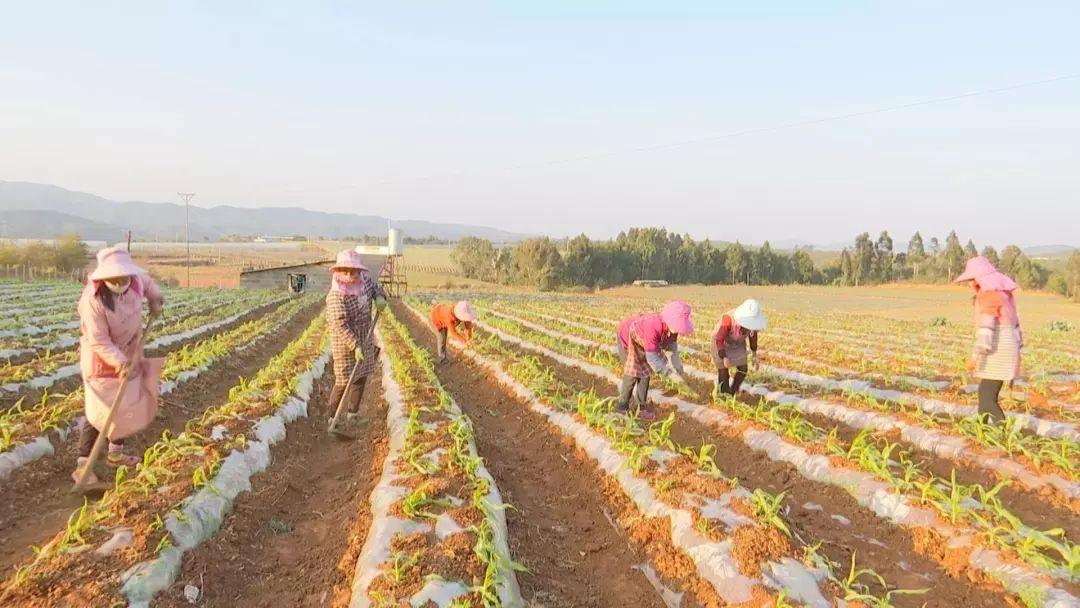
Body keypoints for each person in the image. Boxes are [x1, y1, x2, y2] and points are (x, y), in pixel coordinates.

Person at [73, 247, 164, 483]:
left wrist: (155, 298)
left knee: (126, 402)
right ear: (104, 278)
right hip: (101, 357)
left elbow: (149, 284)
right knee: (100, 409)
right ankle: (84, 464)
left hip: (129, 350)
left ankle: (115, 453)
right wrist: (121, 363)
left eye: (123, 276)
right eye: (115, 277)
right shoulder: (92, 300)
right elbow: (99, 340)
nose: (120, 280)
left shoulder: (135, 282)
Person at [954, 256, 1022, 424]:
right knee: (985, 393)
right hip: (1007, 348)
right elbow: (1017, 327)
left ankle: (1004, 432)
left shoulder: (988, 296)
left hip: (997, 351)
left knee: (987, 398)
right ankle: (980, 429)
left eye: (972, 279)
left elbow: (986, 331)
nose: (971, 284)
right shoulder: (1004, 295)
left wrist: (975, 358)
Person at [325, 250, 387, 433]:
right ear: (339, 271)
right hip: (344, 342)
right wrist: (355, 345)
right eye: (346, 270)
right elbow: (339, 324)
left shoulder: (365, 282)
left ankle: (352, 414)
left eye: (353, 271)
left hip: (365, 334)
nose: (350, 275)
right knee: (343, 379)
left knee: (361, 376)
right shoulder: (336, 295)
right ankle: (332, 418)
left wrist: (380, 297)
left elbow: (376, 287)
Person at [614, 301, 693, 419]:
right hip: (628, 338)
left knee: (645, 375)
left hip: (645, 344)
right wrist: (670, 374)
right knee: (632, 374)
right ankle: (621, 408)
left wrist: (679, 369)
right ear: (669, 320)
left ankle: (641, 407)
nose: (678, 330)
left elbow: (672, 349)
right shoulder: (653, 325)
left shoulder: (673, 330)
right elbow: (652, 359)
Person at [711, 299, 766, 396]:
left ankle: (732, 391)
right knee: (723, 371)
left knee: (743, 369)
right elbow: (719, 339)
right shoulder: (728, 319)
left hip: (737, 343)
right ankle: (724, 395)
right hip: (722, 342)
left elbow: (753, 338)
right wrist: (724, 357)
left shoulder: (752, 326)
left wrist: (754, 355)